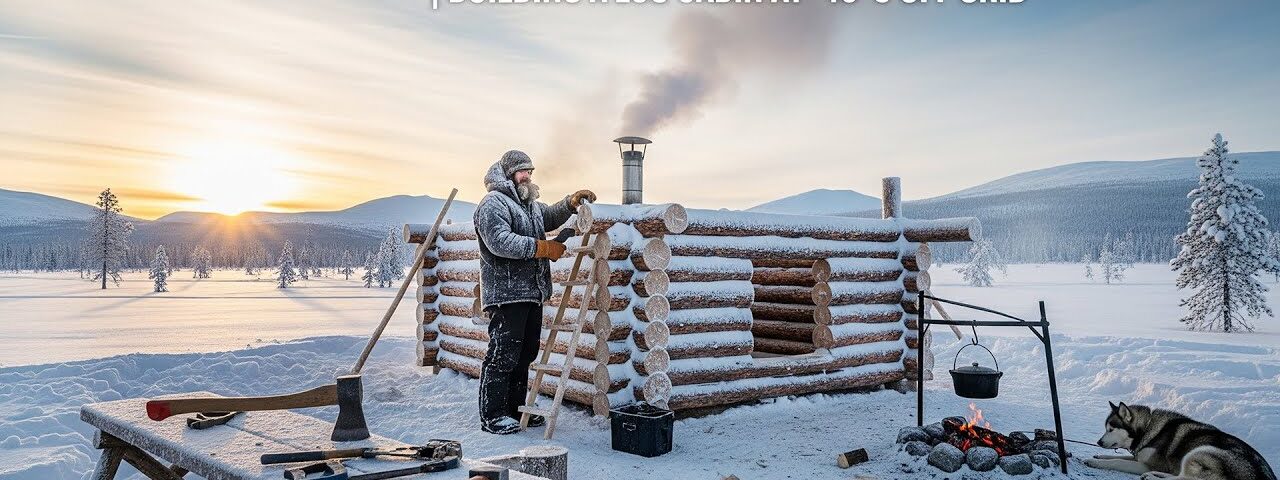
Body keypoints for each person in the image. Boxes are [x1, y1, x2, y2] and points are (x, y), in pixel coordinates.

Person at [473, 149, 596, 434]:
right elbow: (500, 242)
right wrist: (542, 248)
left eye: (529, 170)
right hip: (506, 294)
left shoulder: (529, 204)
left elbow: (549, 216)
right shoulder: (494, 203)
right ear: (507, 174)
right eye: (521, 171)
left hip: (532, 291)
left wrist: (569, 203)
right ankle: (492, 415)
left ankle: (515, 410)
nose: (526, 175)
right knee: (503, 354)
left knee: (525, 353)